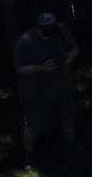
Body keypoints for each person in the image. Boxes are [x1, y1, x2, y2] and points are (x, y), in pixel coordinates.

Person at [13, 10, 82, 161]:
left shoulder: (61, 30)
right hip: (35, 90)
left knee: (67, 115)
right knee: (33, 124)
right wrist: (40, 67)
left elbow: (74, 48)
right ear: (37, 28)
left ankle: (71, 144)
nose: (49, 33)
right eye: (46, 30)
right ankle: (28, 155)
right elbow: (19, 68)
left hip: (61, 83)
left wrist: (69, 58)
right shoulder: (25, 41)